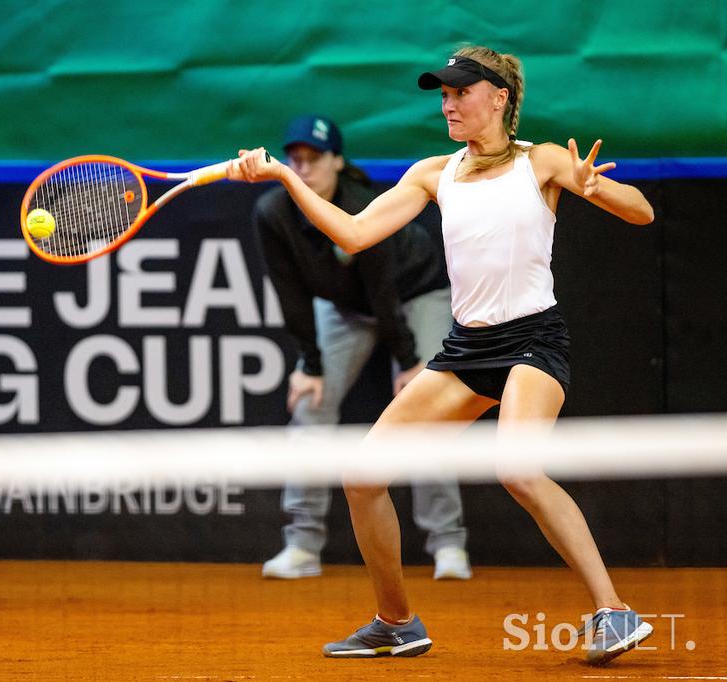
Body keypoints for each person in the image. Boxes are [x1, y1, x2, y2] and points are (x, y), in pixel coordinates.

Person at [231, 45, 655, 666]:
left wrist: (597, 189)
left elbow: (642, 212)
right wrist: (286, 178)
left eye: (461, 92)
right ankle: (396, 621)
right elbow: (353, 233)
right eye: (444, 94)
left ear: (501, 97)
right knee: (362, 476)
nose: (448, 103)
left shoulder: (543, 162)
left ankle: (612, 611)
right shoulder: (434, 174)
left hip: (533, 341)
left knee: (517, 468)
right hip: (467, 348)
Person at [254, 115, 472, 581]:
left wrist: (412, 362)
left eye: (314, 158)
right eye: (296, 159)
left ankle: (448, 544)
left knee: (428, 413)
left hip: (414, 294)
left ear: (337, 161)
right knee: (311, 405)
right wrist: (309, 365)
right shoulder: (273, 213)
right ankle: (302, 545)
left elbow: (384, 292)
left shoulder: (359, 205)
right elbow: (291, 294)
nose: (304, 167)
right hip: (345, 308)